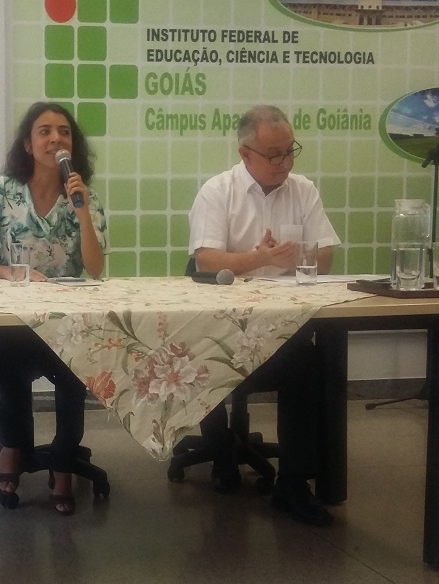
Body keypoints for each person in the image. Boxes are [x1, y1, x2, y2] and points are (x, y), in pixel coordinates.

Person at [188, 105, 341, 526]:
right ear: (245, 154)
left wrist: (294, 257)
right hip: (222, 330)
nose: (285, 163)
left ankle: (293, 485)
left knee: (311, 364)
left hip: (282, 325)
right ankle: (220, 449)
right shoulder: (218, 192)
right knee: (209, 358)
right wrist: (258, 258)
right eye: (274, 155)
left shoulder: (302, 189)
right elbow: (204, 261)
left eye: (290, 152)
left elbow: (325, 256)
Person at [0, 101, 108, 515]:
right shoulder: (0, 193)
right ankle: (13, 445)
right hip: (15, 317)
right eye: (44, 131)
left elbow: (96, 270)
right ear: (28, 144)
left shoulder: (85, 197)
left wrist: (81, 212)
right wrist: (13, 274)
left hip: (67, 320)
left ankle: (63, 462)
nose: (55, 139)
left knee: (72, 370)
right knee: (10, 358)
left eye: (63, 132)